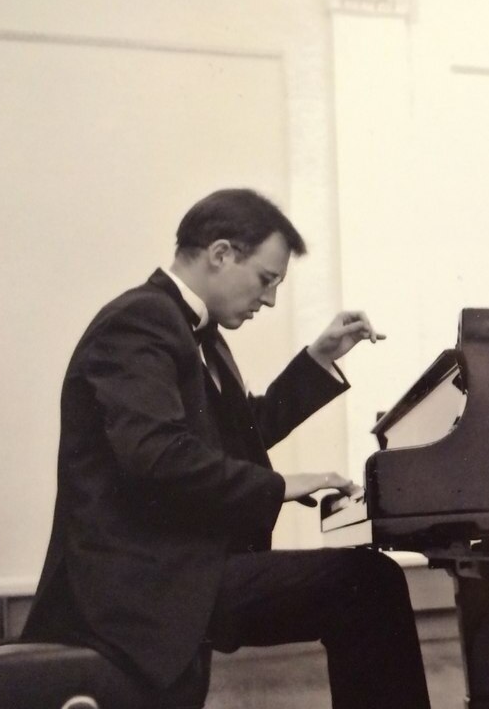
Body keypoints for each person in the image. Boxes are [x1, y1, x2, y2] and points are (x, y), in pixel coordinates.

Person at [22, 188, 432, 708]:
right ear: (220, 253)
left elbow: (238, 433)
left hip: (176, 569)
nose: (270, 300)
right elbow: (158, 456)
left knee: (366, 584)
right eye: (266, 279)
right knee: (368, 584)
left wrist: (317, 359)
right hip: (141, 584)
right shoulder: (139, 320)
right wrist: (280, 486)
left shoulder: (194, 331)